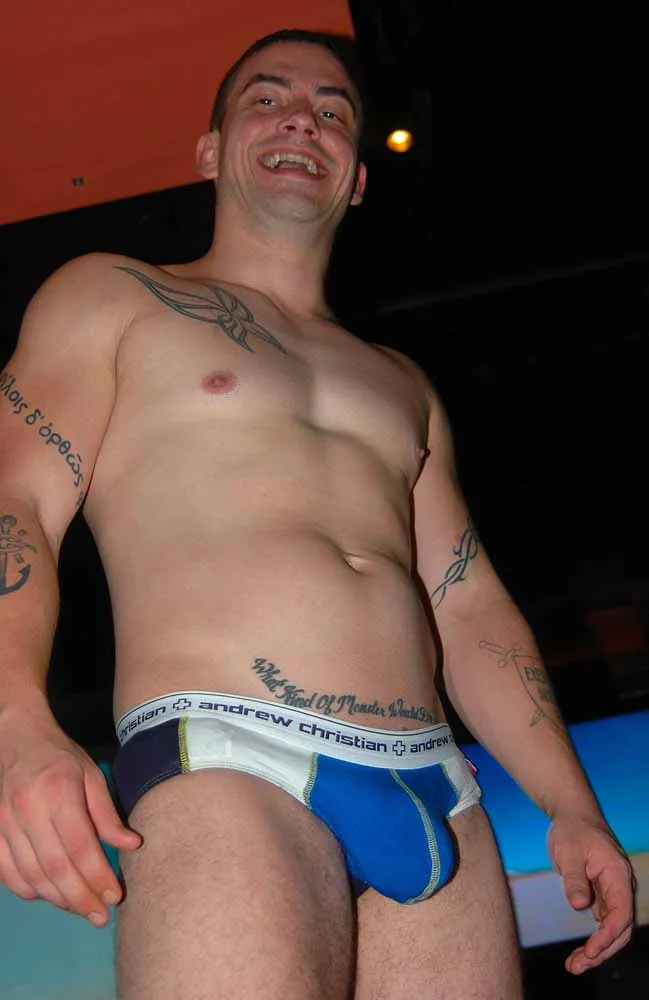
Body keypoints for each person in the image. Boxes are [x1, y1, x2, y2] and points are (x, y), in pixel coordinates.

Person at [0, 27, 634, 1000]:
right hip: (229, 753)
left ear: (358, 177)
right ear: (209, 150)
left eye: (332, 111)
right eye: (267, 98)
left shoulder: (402, 382)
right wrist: (15, 723)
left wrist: (569, 802)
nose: (301, 119)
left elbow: (465, 602)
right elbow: (17, 504)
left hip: (436, 790)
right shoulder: (114, 296)